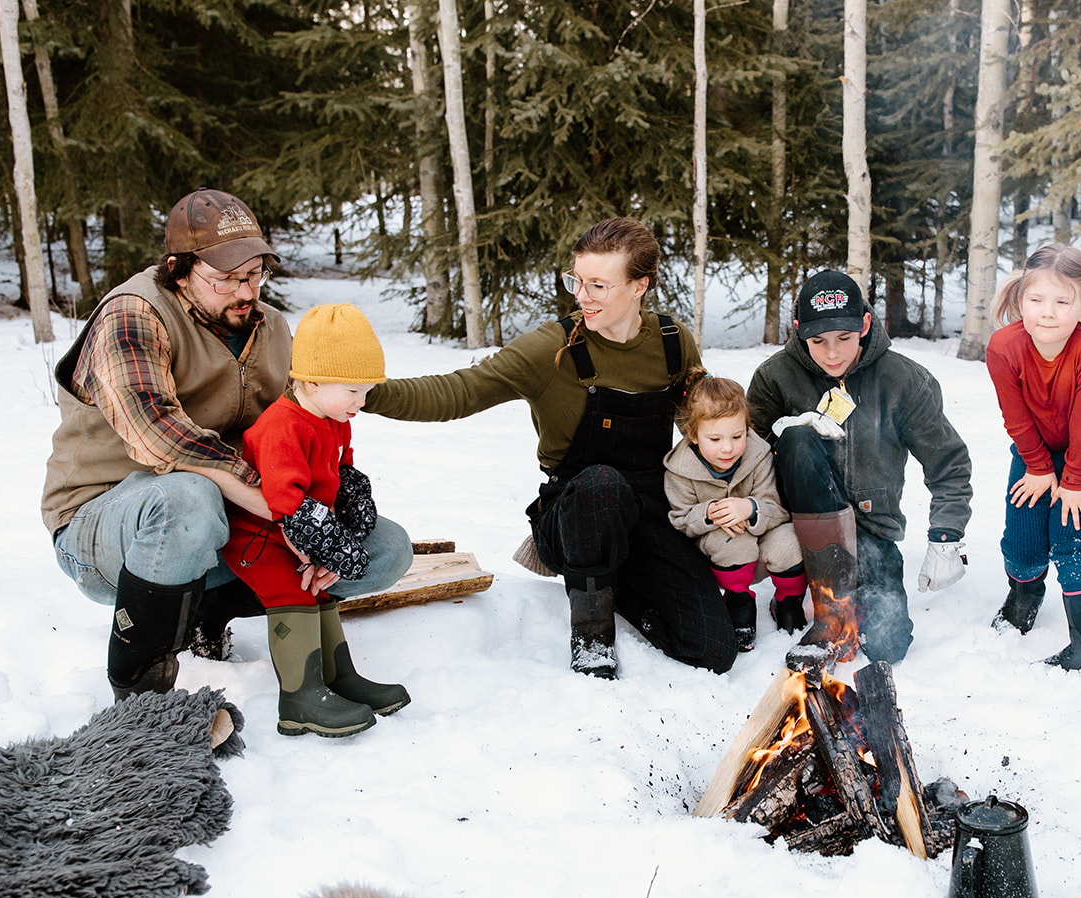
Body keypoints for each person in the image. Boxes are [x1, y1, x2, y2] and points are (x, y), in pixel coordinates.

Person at [41, 188, 413, 703]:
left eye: (254, 275)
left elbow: (302, 432)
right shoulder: (131, 316)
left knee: (381, 550)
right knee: (185, 498)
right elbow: (158, 435)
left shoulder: (273, 327)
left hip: (230, 517)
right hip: (110, 523)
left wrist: (334, 512)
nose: (245, 292)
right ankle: (141, 697)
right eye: (225, 279)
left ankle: (205, 613)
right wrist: (287, 512)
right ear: (179, 270)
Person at [363, 217, 734, 679]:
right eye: (576, 280)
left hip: (649, 511)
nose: (582, 295)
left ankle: (615, 583)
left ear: (640, 286)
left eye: (598, 284)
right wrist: (365, 393)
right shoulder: (554, 347)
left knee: (711, 651)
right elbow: (460, 390)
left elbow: (709, 424)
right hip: (575, 511)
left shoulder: (673, 343)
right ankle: (592, 633)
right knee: (602, 485)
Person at [747, 269, 972, 669]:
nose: (833, 353)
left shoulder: (903, 379)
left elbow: (948, 462)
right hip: (798, 524)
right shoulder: (774, 377)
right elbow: (744, 458)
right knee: (797, 439)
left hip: (871, 529)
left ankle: (850, 593)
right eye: (818, 341)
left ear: (865, 324)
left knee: (888, 646)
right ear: (798, 330)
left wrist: (946, 534)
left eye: (845, 339)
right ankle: (829, 614)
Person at [220, 304, 411, 738]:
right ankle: (300, 698)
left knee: (323, 595)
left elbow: (341, 470)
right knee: (297, 592)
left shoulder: (333, 417)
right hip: (258, 537)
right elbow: (284, 500)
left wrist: (353, 510)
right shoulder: (283, 426)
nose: (361, 404)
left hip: (299, 532)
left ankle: (340, 678)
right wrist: (330, 546)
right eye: (353, 392)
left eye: (366, 392)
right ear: (311, 380)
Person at [984, 244, 1081, 674]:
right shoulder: (1003, 348)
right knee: (1024, 532)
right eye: (1036, 299)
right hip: (1035, 447)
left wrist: (1076, 480)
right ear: (1019, 300)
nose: (1047, 312)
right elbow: (1016, 416)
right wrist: (1040, 467)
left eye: (1062, 302)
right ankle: (1025, 594)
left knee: (1070, 534)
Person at [663, 375, 804, 652]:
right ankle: (739, 601)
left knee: (789, 540)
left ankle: (789, 600)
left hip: (763, 535)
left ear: (747, 429)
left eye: (737, 436)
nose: (727, 448)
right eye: (715, 438)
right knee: (732, 543)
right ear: (693, 434)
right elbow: (679, 519)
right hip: (720, 554)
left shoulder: (760, 456)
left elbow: (777, 507)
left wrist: (750, 507)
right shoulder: (679, 469)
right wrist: (708, 513)